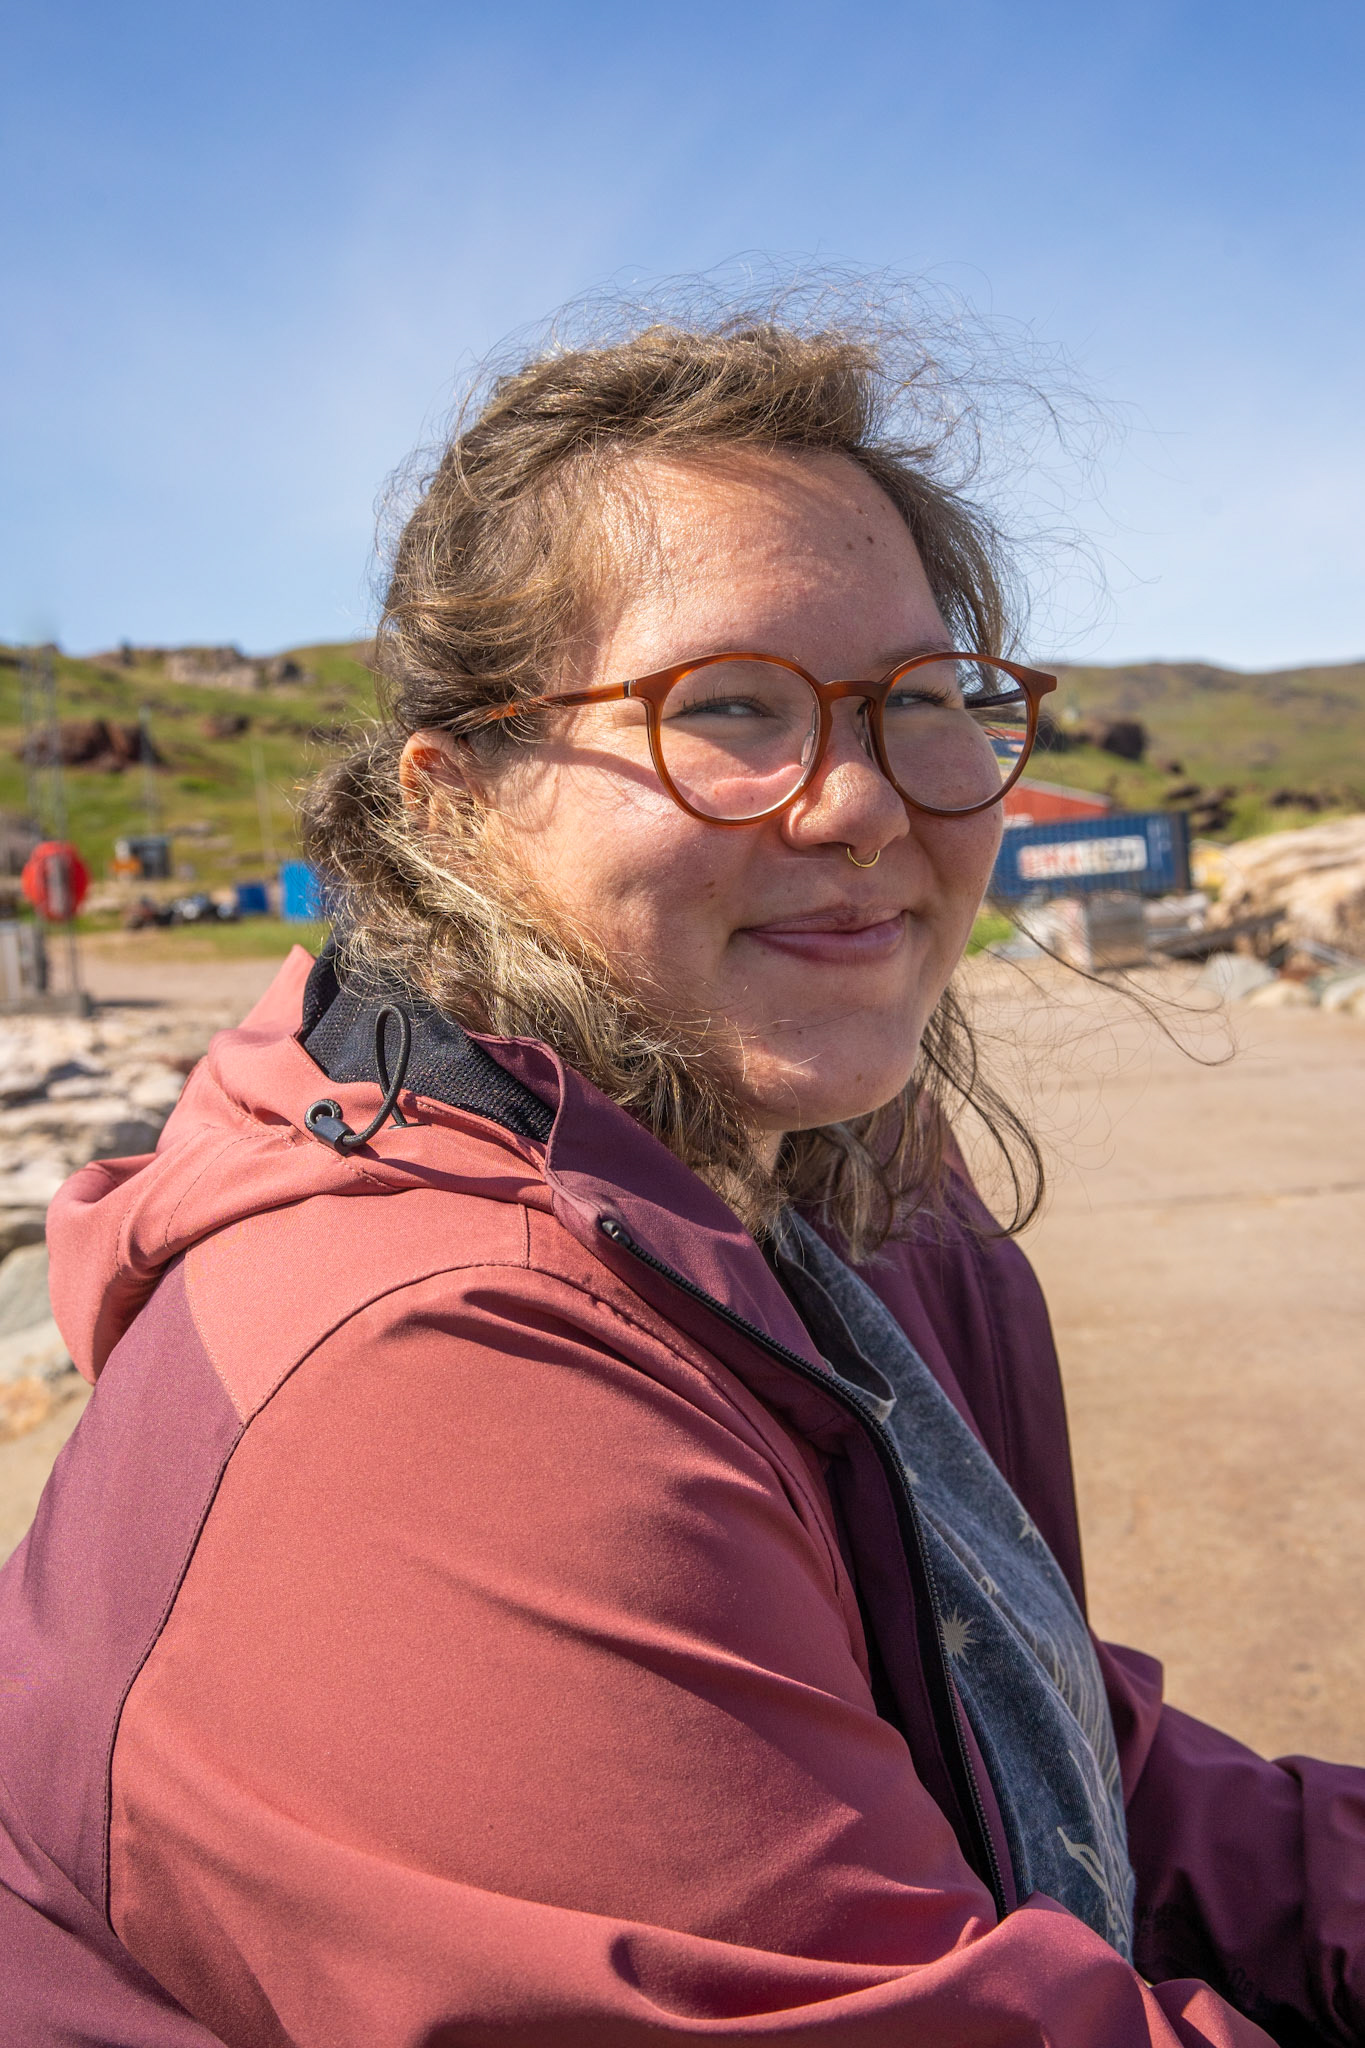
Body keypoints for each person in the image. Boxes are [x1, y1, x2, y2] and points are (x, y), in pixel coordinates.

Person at [2, 308, 1361, 2048]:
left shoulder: (834, 1193)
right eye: (727, 706)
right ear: (459, 804)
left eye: (922, 702)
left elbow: (1036, 1749)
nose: (864, 801)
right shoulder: (437, 1374)